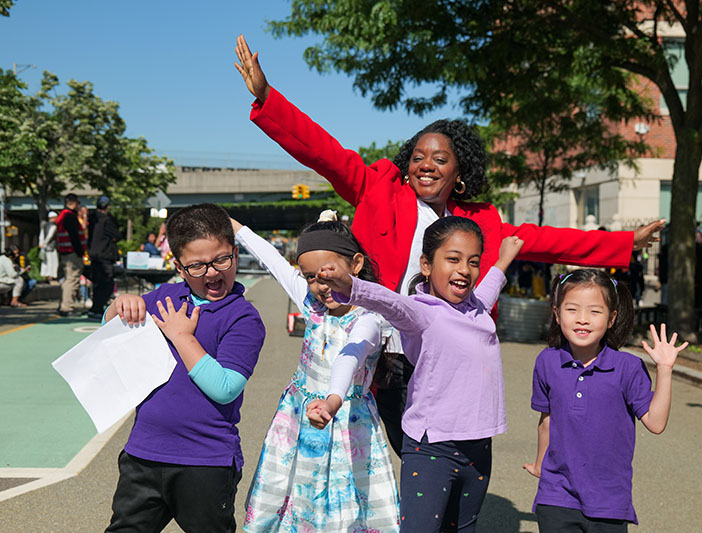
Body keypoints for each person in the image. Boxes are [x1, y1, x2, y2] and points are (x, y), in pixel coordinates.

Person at [234, 33, 666, 456]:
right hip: (381, 351)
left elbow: (546, 241)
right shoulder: (377, 189)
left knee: (438, 454)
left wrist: (626, 242)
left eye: (440, 159)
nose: (426, 165)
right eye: (418, 157)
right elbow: (323, 152)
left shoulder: (480, 221)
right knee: (389, 451)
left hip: (446, 354)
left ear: (458, 173)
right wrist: (268, 96)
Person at [320, 216, 524, 532]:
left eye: (473, 262)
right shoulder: (422, 312)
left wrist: (503, 260)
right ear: (426, 265)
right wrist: (350, 285)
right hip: (433, 451)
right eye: (453, 259)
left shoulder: (475, 310)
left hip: (479, 448)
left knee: (463, 528)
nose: (465, 270)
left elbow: (488, 289)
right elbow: (390, 303)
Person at [104, 203, 265, 533]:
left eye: (221, 259)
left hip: (205, 461)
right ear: (179, 267)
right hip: (142, 454)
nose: (212, 273)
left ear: (234, 253)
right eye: (196, 266)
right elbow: (108, 331)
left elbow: (224, 388)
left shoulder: (243, 318)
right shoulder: (164, 297)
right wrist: (118, 307)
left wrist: (181, 337)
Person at [234, 211, 399, 532]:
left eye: (327, 274)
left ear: (356, 264)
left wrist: (333, 400)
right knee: (293, 489)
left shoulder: (368, 318)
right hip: (297, 417)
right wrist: (236, 228)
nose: (319, 285)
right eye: (310, 277)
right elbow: (273, 261)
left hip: (348, 420)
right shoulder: (312, 303)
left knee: (345, 499)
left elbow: (350, 357)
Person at [523, 269, 688, 531]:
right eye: (572, 310)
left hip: (609, 501)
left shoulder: (628, 368)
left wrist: (665, 370)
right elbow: (546, 421)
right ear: (557, 314)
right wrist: (540, 464)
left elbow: (656, 424)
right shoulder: (547, 361)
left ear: (611, 318)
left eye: (594, 312)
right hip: (556, 495)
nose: (583, 320)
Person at [87, 196, 122, 321]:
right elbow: (117, 235)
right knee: (106, 283)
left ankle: (95, 308)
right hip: (105, 255)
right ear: (107, 207)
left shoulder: (91, 219)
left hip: (94, 254)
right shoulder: (107, 220)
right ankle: (97, 308)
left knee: (97, 283)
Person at [55, 193, 87, 316]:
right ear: (74, 203)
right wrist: (80, 252)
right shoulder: (70, 216)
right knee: (72, 279)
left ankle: (63, 305)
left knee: (66, 279)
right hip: (72, 253)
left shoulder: (62, 216)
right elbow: (74, 236)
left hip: (64, 252)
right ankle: (67, 307)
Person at [38, 210, 59, 281]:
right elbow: (50, 236)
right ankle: (51, 274)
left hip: (44, 247)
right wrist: (45, 243)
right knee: (52, 261)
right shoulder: (53, 226)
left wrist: (41, 243)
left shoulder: (44, 225)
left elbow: (41, 235)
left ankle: (45, 274)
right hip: (51, 247)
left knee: (45, 261)